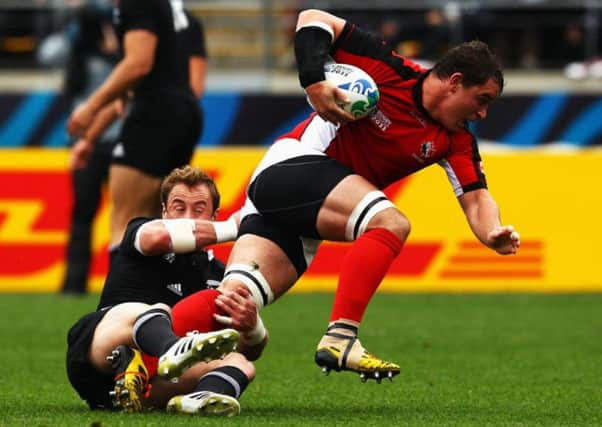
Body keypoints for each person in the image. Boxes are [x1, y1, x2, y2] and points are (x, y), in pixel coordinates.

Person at [160, 8, 522, 383]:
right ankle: (342, 336)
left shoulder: (456, 140)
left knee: (235, 300)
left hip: (304, 215)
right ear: (454, 82)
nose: (481, 113)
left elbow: (476, 198)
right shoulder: (389, 70)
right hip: (290, 170)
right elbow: (313, 17)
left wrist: (492, 232)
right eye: (482, 99)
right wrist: (314, 81)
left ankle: (137, 357)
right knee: (390, 222)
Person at [66, 166, 267, 416]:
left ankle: (200, 398)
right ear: (164, 211)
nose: (188, 216)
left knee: (241, 364)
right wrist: (235, 227)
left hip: (153, 380)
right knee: (150, 311)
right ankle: (172, 347)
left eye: (199, 208)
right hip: (103, 358)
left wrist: (253, 329)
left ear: (213, 215)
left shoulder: (220, 276)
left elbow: (248, 349)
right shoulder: (140, 232)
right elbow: (156, 237)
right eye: (178, 207)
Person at [62, 5, 209, 294]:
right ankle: (173, 304)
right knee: (162, 220)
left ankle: (117, 311)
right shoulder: (177, 15)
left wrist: (90, 108)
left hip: (154, 114)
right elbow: (128, 93)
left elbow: (137, 65)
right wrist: (91, 138)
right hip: (182, 114)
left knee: (127, 221)